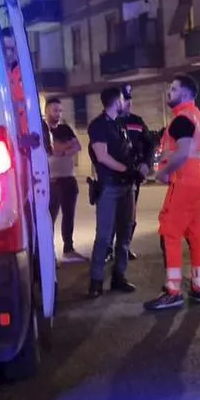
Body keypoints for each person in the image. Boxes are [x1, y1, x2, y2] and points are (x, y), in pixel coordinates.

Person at [144, 74, 200, 312]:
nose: (168, 92)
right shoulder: (198, 117)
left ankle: (172, 291)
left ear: (184, 93)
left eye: (173, 89)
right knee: (195, 234)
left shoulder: (182, 119)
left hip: (184, 181)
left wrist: (164, 173)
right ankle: (198, 286)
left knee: (170, 232)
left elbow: (182, 153)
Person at [86, 85, 138, 298]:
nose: (125, 102)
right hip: (109, 186)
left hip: (126, 186)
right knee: (104, 237)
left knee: (125, 233)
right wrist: (126, 169)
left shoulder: (120, 125)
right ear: (116, 101)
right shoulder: (98, 125)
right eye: (122, 99)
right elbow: (102, 156)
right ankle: (96, 282)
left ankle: (119, 277)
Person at [118, 84, 155, 261]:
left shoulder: (137, 122)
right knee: (113, 215)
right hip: (114, 176)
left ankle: (125, 246)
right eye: (125, 101)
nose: (128, 105)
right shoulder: (110, 122)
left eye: (130, 101)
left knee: (130, 215)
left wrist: (147, 164)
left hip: (134, 176)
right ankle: (111, 249)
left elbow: (149, 145)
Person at [43, 98, 83, 262]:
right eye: (55, 110)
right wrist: (66, 146)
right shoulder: (42, 129)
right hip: (52, 181)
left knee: (69, 215)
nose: (58, 114)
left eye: (60, 110)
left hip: (69, 179)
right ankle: (48, 253)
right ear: (47, 111)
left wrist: (64, 150)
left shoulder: (65, 128)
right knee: (50, 218)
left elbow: (78, 146)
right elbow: (51, 149)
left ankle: (69, 249)